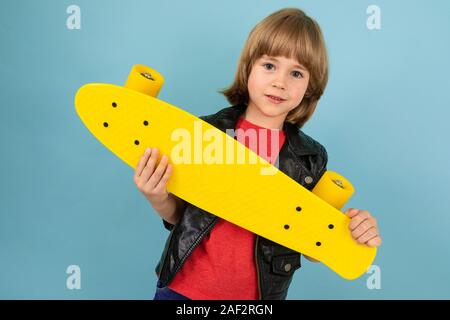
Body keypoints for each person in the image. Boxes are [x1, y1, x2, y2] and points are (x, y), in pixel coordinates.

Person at [133, 7, 382, 300]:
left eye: (297, 73)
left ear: (310, 87)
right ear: (248, 67)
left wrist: (351, 232)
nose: (280, 81)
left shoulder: (310, 159)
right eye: (269, 66)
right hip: (182, 291)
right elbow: (181, 218)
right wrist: (157, 196)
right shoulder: (206, 131)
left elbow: (310, 244)